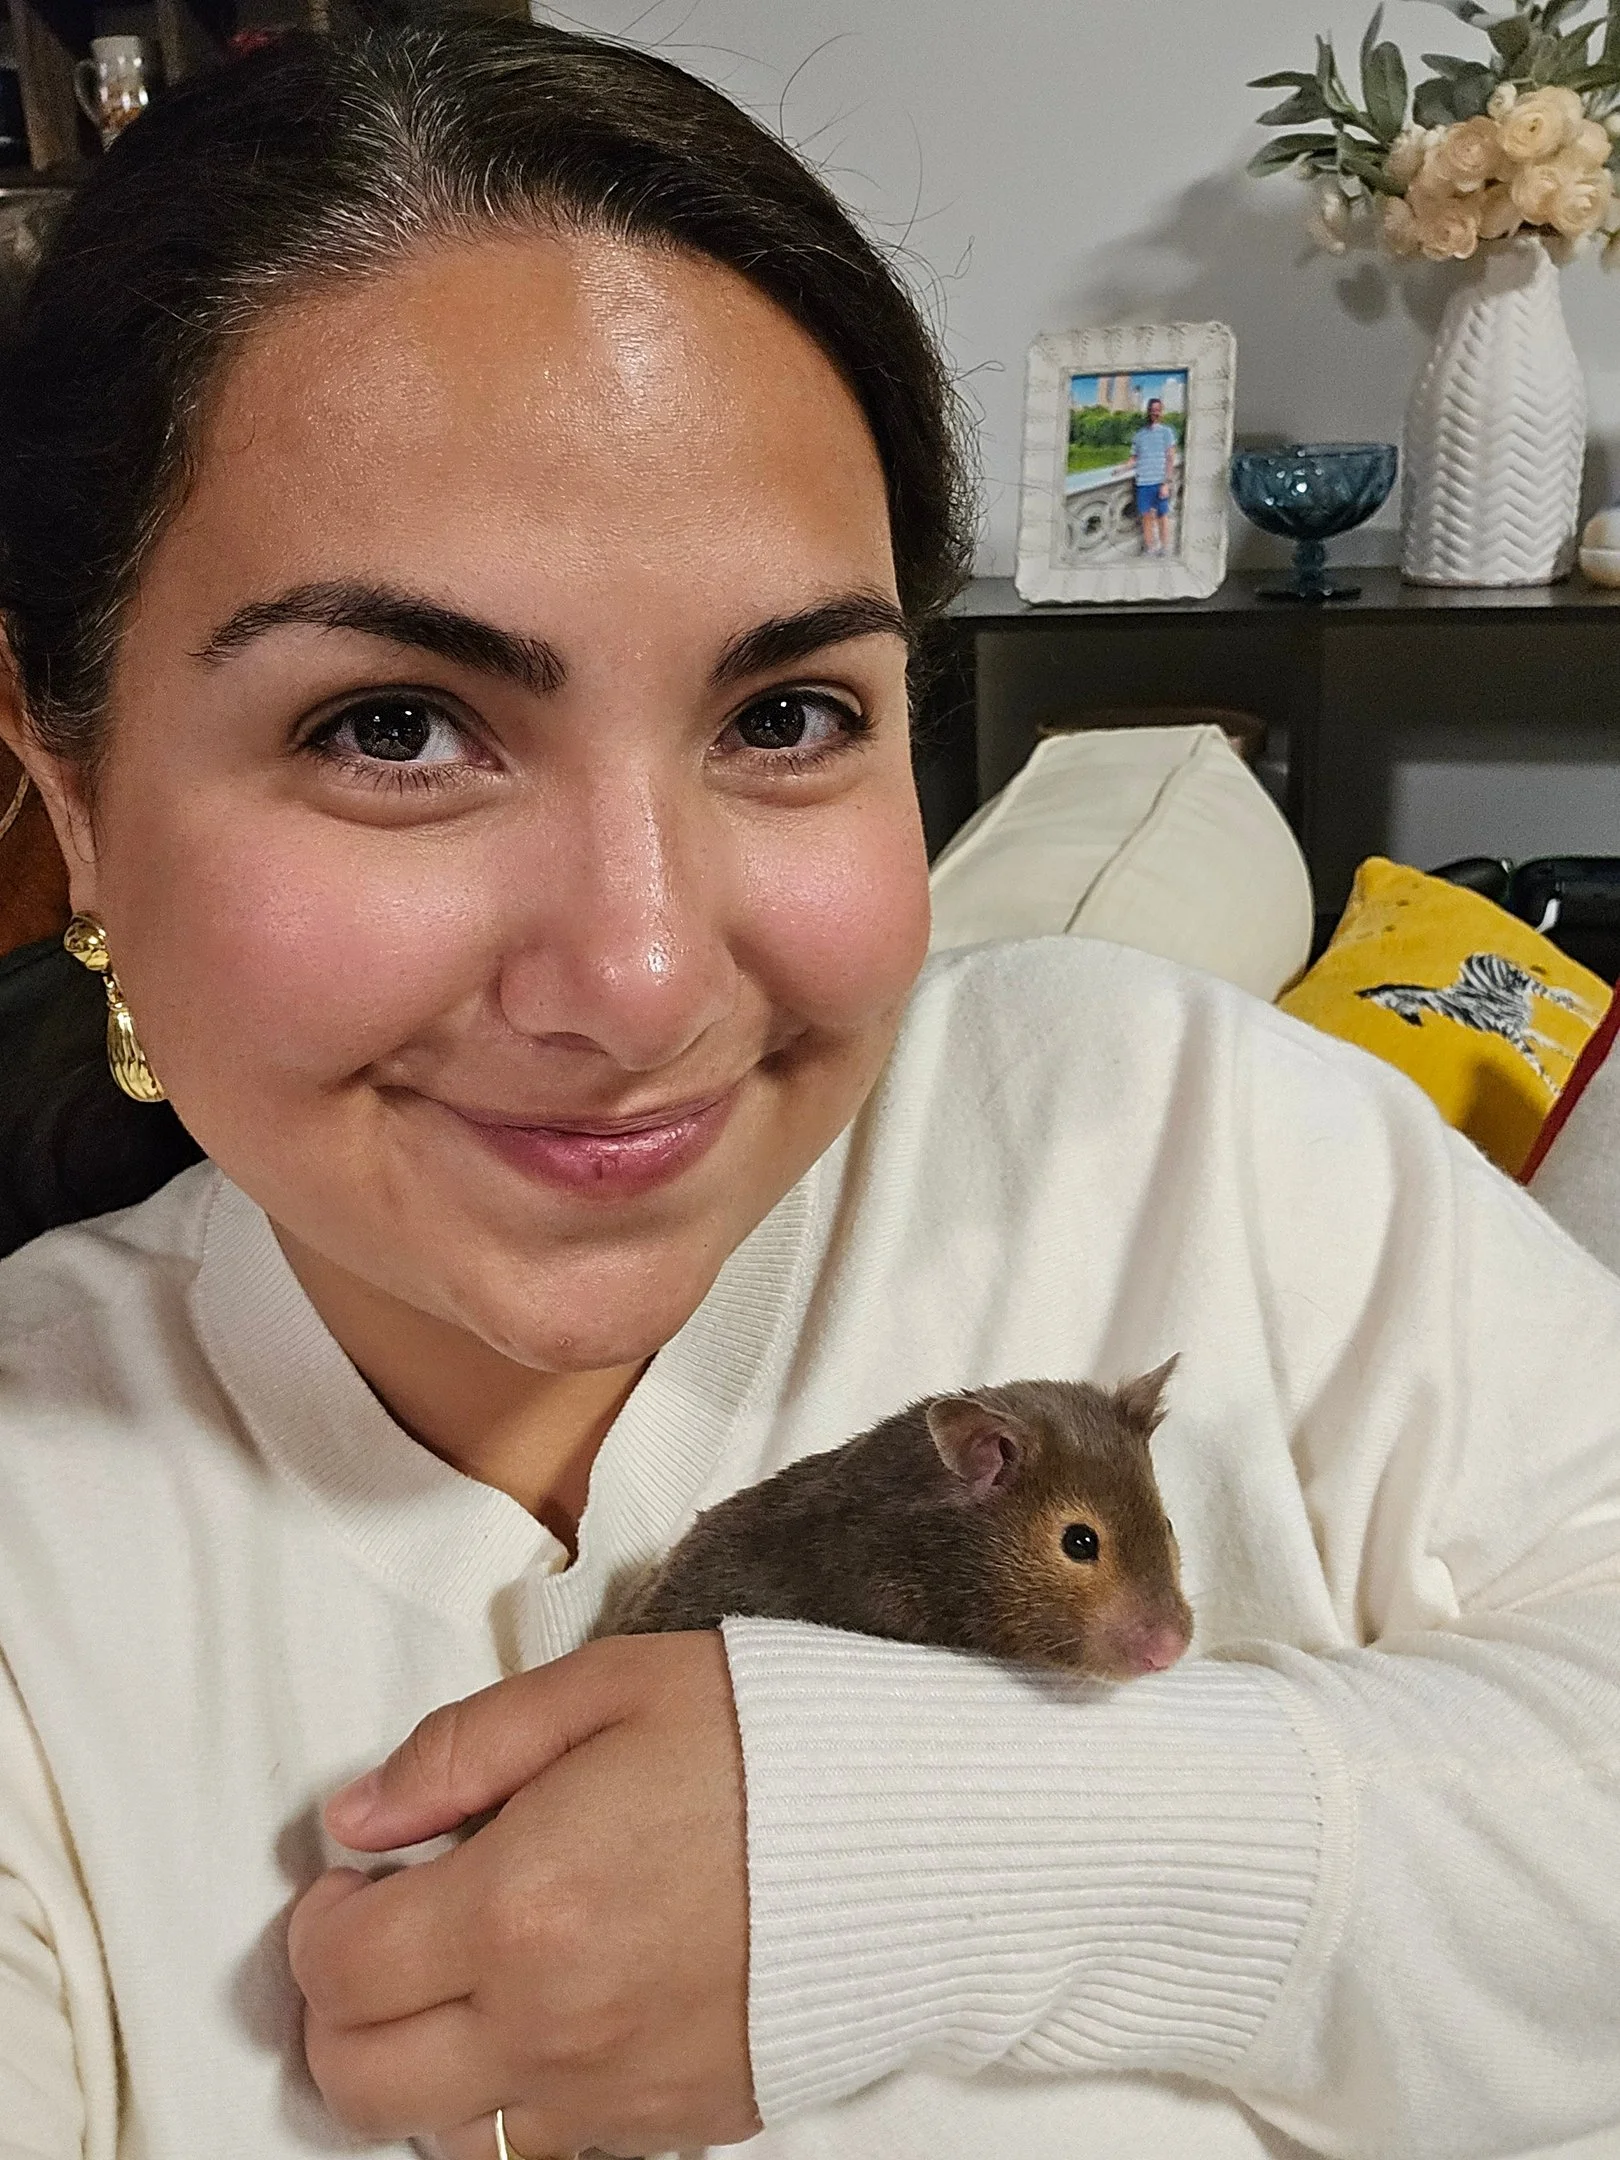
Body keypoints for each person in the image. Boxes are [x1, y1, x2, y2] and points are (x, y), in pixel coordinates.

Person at [1, 18, 1619, 2160]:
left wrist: (954, 1855)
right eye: (393, 726)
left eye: (783, 714)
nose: (648, 976)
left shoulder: (1195, 1142)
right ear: (71, 793)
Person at [1132, 392, 1178, 555]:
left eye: (1158, 410)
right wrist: (1120, 469)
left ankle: (1165, 548)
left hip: (1159, 482)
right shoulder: (1139, 435)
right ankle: (1151, 547)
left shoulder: (1167, 432)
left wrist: (1166, 483)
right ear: (1148, 412)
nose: (1155, 413)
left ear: (1161, 411)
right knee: (1146, 517)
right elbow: (1134, 458)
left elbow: (1170, 457)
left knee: (1162, 516)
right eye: (1152, 410)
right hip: (1143, 481)